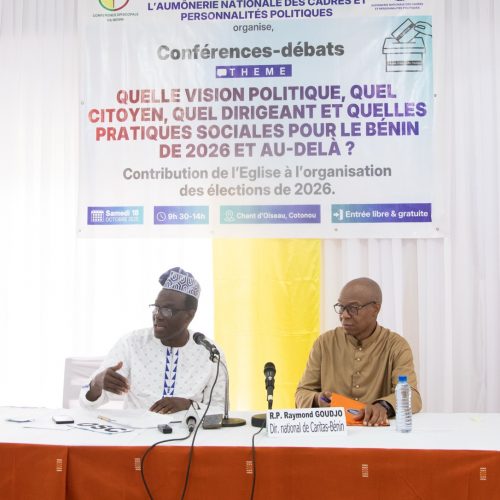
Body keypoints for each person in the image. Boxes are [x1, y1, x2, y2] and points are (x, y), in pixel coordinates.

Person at [79, 267, 226, 414]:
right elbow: (86, 403)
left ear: (189, 315)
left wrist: (189, 405)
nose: (158, 315)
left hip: (188, 428)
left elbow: (220, 411)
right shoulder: (132, 343)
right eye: (156, 307)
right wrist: (96, 383)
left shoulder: (210, 352)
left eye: (167, 310)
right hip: (137, 428)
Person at [295, 277, 422, 426]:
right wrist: (318, 399)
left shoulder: (396, 346)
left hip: (378, 432)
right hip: (333, 432)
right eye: (341, 307)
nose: (344, 315)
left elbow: (412, 396)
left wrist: (383, 406)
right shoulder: (325, 343)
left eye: (353, 308)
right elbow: (302, 393)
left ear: (375, 309)